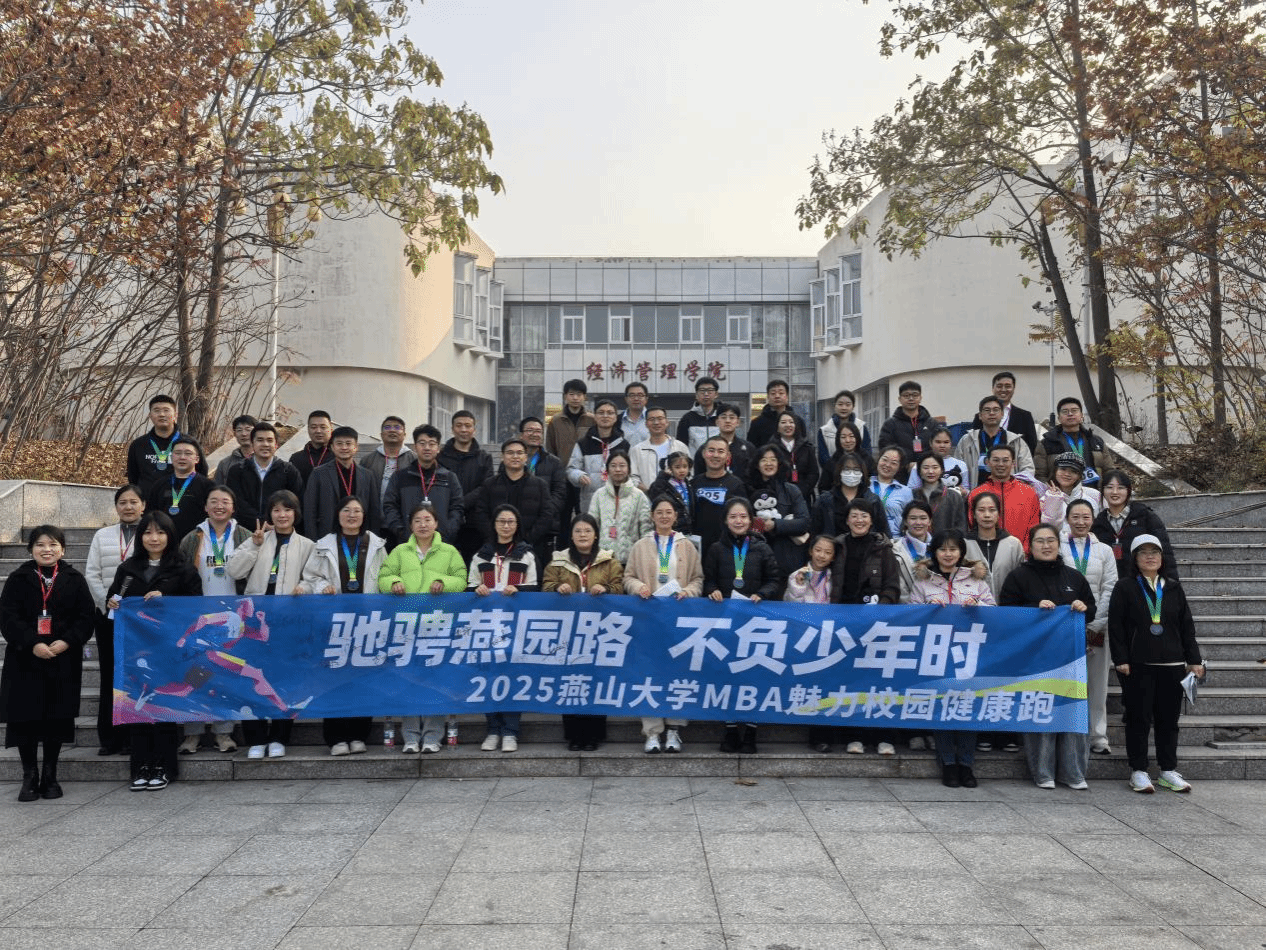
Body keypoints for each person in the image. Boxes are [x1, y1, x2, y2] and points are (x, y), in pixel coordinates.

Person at [107, 511, 202, 790]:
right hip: (136, 651)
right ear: (140, 537)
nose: (154, 538)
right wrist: (112, 603)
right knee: (137, 706)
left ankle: (164, 766)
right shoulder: (127, 568)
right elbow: (114, 598)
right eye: (148, 532)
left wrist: (167, 599)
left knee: (162, 705)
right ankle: (141, 765)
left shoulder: (183, 569)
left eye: (160, 532)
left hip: (169, 649)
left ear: (170, 536)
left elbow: (196, 607)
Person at [1, 525, 96, 801]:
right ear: (31, 549)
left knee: (57, 717)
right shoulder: (18, 578)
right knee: (25, 718)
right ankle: (29, 776)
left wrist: (67, 641)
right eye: (40, 544)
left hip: (62, 658)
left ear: (62, 550)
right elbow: (8, 617)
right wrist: (33, 643)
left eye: (53, 545)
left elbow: (85, 617)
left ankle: (50, 775)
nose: (47, 550)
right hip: (25, 659)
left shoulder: (74, 579)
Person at [999, 523, 1096, 789]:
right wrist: (1034, 608)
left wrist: (1082, 606)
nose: (1046, 545)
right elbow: (1006, 612)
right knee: (1040, 712)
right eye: (1040, 541)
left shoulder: (1074, 577)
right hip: (1035, 659)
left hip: (1071, 659)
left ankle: (1074, 773)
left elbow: (1092, 609)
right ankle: (1043, 772)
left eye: (1051, 540)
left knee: (1073, 712)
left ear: (1058, 543)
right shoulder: (1018, 576)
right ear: (1030, 546)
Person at [1109, 534, 1204, 794]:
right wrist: (1121, 658)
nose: (1150, 556)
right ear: (1135, 558)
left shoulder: (1173, 587)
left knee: (1168, 720)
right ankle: (1138, 770)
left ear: (1162, 558)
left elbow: (1187, 626)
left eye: (1155, 552)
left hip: (1172, 664)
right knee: (1138, 718)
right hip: (1138, 664)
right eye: (1143, 552)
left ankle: (1167, 770)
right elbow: (1116, 626)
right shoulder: (1125, 587)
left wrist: (1194, 659)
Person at [226, 490, 315, 759]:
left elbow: (314, 578)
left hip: (288, 621)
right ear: (269, 515)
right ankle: (256, 738)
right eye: (276, 510)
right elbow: (234, 571)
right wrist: (253, 546)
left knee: (284, 680)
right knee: (250, 678)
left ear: (295, 513)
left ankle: (278, 737)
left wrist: (304, 587)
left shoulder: (307, 545)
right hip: (254, 620)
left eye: (287, 509)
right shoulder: (257, 539)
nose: (282, 515)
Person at [301, 495, 386, 755]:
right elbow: (310, 576)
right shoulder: (324, 544)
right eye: (346, 510)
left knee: (363, 679)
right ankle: (336, 737)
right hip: (334, 622)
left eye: (357, 511)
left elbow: (385, 575)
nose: (352, 515)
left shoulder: (377, 544)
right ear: (338, 515)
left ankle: (359, 734)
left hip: (366, 622)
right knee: (333, 679)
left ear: (364, 515)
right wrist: (322, 586)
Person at [909, 529, 995, 787]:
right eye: (942, 549)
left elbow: (995, 612)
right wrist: (928, 609)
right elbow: (910, 616)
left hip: (969, 654)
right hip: (937, 654)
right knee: (943, 708)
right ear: (934, 552)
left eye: (953, 549)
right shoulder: (923, 583)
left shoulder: (977, 581)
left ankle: (966, 764)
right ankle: (948, 763)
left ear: (961, 552)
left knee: (968, 707)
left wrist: (978, 607)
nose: (948, 554)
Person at [379, 502, 467, 754]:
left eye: (427, 519)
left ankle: (432, 736)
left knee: (434, 682)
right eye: (417, 520)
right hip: (406, 626)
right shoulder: (399, 551)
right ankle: (410, 736)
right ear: (410, 525)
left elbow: (462, 579)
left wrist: (443, 581)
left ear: (436, 523)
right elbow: (383, 577)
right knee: (407, 681)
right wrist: (394, 582)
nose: (423, 525)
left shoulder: (449, 551)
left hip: (437, 626)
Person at [624, 496, 704, 753]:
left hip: (679, 619)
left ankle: (674, 730)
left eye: (669, 512)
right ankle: (652, 732)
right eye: (659, 512)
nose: (664, 516)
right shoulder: (641, 545)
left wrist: (688, 592)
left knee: (677, 673)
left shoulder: (687, 546)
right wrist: (639, 586)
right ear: (652, 515)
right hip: (649, 618)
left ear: (675, 516)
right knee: (650, 672)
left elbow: (698, 579)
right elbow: (628, 577)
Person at [175, 485, 252, 754]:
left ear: (233, 507)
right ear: (205, 507)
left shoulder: (245, 536)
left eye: (225, 501)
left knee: (225, 676)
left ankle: (224, 733)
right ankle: (192, 734)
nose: (219, 506)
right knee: (194, 676)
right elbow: (181, 574)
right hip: (199, 618)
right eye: (214, 501)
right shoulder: (192, 538)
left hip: (233, 619)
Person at [704, 498, 781, 755]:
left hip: (755, 623)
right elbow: (708, 580)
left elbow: (774, 580)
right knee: (726, 675)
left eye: (743, 517)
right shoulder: (716, 549)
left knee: (754, 676)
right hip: (726, 622)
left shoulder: (762, 548)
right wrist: (713, 590)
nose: (739, 521)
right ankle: (729, 730)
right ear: (725, 520)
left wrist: (763, 593)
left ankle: (750, 732)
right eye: (733, 517)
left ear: (751, 520)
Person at [543, 514, 623, 751]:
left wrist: (605, 588)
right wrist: (557, 587)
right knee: (569, 680)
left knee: (595, 679)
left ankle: (594, 734)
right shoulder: (558, 561)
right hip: (568, 631)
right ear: (571, 535)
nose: (583, 535)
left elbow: (620, 588)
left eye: (587, 530)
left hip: (599, 630)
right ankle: (574, 734)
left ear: (596, 534)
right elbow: (545, 586)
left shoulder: (609, 561)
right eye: (578, 531)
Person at [831, 500, 902, 755]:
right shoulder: (837, 546)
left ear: (872, 520)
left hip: (876, 625)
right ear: (847, 520)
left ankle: (883, 736)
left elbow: (892, 586)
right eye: (854, 516)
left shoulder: (883, 548)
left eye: (864, 515)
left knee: (879, 681)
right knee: (852, 681)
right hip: (845, 625)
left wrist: (880, 610)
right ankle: (855, 735)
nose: (859, 520)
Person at [468, 504, 539, 753]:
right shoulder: (482, 555)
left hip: (515, 626)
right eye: (501, 521)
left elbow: (535, 587)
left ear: (517, 525)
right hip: (487, 626)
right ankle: (492, 729)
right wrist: (476, 589)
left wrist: (518, 590)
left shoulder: (526, 555)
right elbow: (470, 586)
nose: (506, 526)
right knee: (488, 677)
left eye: (511, 522)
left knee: (512, 676)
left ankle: (510, 731)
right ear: (494, 525)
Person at [84, 484, 144, 756]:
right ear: (116, 506)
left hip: (139, 618)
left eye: (133, 502)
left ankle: (134, 736)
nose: (128, 507)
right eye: (122, 502)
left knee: (135, 674)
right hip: (107, 617)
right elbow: (92, 573)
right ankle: (110, 738)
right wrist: (106, 601)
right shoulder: (102, 535)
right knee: (110, 673)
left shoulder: (150, 534)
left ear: (143, 505)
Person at [1062, 499, 1119, 756]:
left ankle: (1098, 735)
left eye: (1086, 517)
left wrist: (1095, 623)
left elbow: (1110, 588)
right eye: (1075, 516)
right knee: (1065, 683)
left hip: (1098, 627)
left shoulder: (1104, 550)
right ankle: (1068, 732)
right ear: (1067, 519)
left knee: (1097, 684)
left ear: (1093, 519)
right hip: (1064, 627)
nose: (1081, 522)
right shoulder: (1058, 546)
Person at [786, 534, 840, 753]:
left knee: (826, 687)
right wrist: (798, 586)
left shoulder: (835, 578)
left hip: (828, 638)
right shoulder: (797, 574)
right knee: (810, 687)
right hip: (804, 638)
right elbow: (789, 606)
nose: (822, 556)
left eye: (828, 552)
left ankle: (821, 736)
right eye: (818, 550)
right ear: (810, 551)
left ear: (833, 557)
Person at [473, 437, 554, 563]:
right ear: (502, 457)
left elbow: (546, 515)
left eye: (519, 453)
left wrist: (526, 540)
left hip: (531, 547)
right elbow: (481, 513)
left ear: (526, 457)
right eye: (510, 453)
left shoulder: (540, 485)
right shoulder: (490, 484)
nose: (515, 456)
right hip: (495, 548)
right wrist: (495, 537)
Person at [383, 424, 464, 545]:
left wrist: (447, 532)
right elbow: (389, 506)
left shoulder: (449, 477)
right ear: (415, 447)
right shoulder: (400, 477)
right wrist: (402, 532)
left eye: (432, 444)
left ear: (438, 448)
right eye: (422, 443)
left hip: (441, 544)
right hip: (408, 543)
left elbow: (457, 508)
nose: (427, 448)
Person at [1092, 470, 1177, 581]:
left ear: (1128, 490)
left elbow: (1165, 552)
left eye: (1120, 488)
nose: (1114, 492)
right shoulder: (1098, 523)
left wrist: (1172, 583)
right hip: (1109, 582)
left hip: (1141, 582)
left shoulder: (1145, 516)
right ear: (1102, 491)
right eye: (1109, 487)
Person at [303, 425, 382, 540]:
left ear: (356, 447)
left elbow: (374, 512)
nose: (344, 447)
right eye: (339, 444)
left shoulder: (368, 476)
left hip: (360, 536)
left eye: (348, 443)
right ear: (332, 447)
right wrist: (313, 541)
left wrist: (373, 539)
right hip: (327, 535)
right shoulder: (318, 474)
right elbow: (310, 511)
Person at [746, 446, 811, 581]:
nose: (768, 463)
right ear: (757, 464)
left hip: (786, 556)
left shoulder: (791, 490)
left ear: (779, 463)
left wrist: (776, 525)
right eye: (764, 460)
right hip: (754, 555)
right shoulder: (747, 489)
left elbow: (804, 522)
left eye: (773, 460)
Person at [439, 409, 494, 562]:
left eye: (468, 426)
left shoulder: (484, 458)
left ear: (474, 430)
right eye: (459, 425)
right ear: (452, 429)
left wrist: (461, 503)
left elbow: (486, 487)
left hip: (475, 523)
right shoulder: (440, 457)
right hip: (446, 519)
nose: (463, 429)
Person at [226, 422, 304, 528]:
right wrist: (262, 523)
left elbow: (296, 503)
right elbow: (236, 503)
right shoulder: (237, 471)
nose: (265, 444)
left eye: (270, 440)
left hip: (278, 529)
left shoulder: (289, 471)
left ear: (276, 445)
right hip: (244, 531)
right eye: (260, 440)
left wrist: (275, 524)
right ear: (252, 444)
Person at [967, 444, 1042, 553]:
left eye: (1005, 460)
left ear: (1013, 463)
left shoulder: (1029, 492)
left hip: (1022, 555)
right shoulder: (976, 493)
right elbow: (972, 525)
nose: (1001, 464)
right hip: (986, 554)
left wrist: (1024, 552)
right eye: (996, 460)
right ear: (987, 462)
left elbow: (1034, 526)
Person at [547, 379, 596, 532]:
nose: (575, 398)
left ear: (585, 397)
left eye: (579, 394)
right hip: (563, 478)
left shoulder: (592, 420)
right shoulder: (556, 421)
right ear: (565, 396)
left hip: (585, 477)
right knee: (563, 518)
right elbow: (550, 449)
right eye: (571, 394)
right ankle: (563, 546)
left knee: (586, 516)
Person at [955, 395, 1035, 488]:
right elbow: (957, 468)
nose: (991, 413)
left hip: (1008, 493)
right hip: (975, 493)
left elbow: (1028, 470)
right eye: (987, 410)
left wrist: (1015, 488)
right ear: (980, 416)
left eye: (996, 410)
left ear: (1002, 414)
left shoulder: (1016, 441)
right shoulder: (966, 440)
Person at [1034, 397, 1116, 487]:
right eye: (1065, 412)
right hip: (1061, 493)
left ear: (1081, 415)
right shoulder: (1047, 443)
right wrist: (1050, 492)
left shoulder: (1096, 441)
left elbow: (1109, 471)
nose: (1070, 414)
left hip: (1094, 491)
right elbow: (1040, 475)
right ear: (1059, 418)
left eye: (1074, 411)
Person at [588, 450, 651, 564]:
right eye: (613, 466)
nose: (617, 469)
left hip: (631, 560)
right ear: (607, 469)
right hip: (603, 559)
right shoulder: (599, 495)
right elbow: (592, 526)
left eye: (622, 466)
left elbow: (646, 530)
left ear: (629, 469)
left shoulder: (639, 496)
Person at [568, 399, 628, 515]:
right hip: (590, 502)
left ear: (615, 417)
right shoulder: (583, 444)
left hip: (618, 502)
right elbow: (571, 469)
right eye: (601, 412)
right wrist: (579, 476)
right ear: (595, 417)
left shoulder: (624, 444)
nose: (605, 416)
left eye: (610, 413)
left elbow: (632, 473)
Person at [692, 435, 748, 556]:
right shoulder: (693, 483)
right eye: (711, 450)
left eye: (721, 451)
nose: (715, 455)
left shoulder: (736, 485)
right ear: (703, 453)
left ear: (728, 456)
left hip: (727, 549)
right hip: (698, 548)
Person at [811, 451, 887, 541]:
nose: (851, 473)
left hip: (867, 548)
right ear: (839, 471)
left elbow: (884, 532)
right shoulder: (824, 500)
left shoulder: (873, 500)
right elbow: (814, 532)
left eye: (856, 470)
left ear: (862, 472)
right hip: (833, 547)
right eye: (847, 469)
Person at [519, 416, 568, 555]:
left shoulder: (554, 462)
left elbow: (559, 494)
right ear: (521, 435)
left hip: (546, 527)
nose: (534, 434)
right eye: (530, 430)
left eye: (538, 431)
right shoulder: (512, 460)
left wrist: (544, 515)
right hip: (517, 525)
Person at [964, 491, 1024, 602]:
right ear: (974, 514)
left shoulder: (1013, 544)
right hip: (974, 607)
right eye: (981, 510)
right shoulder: (964, 544)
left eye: (992, 510)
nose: (987, 515)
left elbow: (1021, 579)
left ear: (999, 514)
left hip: (1008, 607)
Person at [126, 394, 185, 497]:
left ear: (176, 414)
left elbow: (199, 474)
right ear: (150, 415)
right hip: (148, 502)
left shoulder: (188, 444)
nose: (161, 414)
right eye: (157, 410)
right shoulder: (138, 445)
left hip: (180, 501)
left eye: (166, 410)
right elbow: (133, 477)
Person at [970, 371, 1038, 454]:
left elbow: (1032, 446)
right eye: (999, 386)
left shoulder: (1025, 416)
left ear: (1013, 389)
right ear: (993, 389)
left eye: (1008, 386)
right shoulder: (981, 416)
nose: (1003, 390)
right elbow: (973, 442)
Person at [877, 380, 938, 470]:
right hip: (899, 472)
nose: (911, 399)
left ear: (920, 398)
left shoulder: (932, 423)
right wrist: (905, 465)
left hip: (927, 471)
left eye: (915, 395)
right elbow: (885, 449)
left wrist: (924, 465)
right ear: (899, 399)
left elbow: (937, 448)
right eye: (906, 395)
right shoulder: (890, 424)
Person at [1040, 452, 1103, 534]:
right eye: (1063, 469)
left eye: (1073, 471)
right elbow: (1048, 529)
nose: (1067, 474)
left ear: (1080, 476)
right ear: (1055, 471)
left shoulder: (1094, 495)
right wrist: (1054, 500)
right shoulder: (1045, 498)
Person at [360, 415, 416, 505]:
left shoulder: (414, 460)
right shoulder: (367, 460)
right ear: (381, 435)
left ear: (404, 435)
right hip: (375, 511)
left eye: (397, 427)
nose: (392, 430)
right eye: (387, 427)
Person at [630, 406, 689, 490]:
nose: (656, 422)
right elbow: (633, 477)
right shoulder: (637, 450)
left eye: (660, 418)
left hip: (677, 496)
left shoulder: (680, 447)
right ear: (646, 424)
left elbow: (689, 474)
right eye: (651, 419)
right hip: (646, 497)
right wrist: (649, 492)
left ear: (667, 422)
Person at [693, 403, 755, 480]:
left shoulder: (749, 448)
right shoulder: (706, 448)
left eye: (732, 417)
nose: (727, 421)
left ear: (738, 422)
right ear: (717, 422)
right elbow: (698, 477)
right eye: (723, 417)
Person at [910, 453, 968, 534]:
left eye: (935, 467)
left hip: (946, 541)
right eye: (926, 468)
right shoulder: (912, 495)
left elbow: (961, 526)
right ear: (919, 471)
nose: (930, 471)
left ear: (942, 470)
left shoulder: (954, 496)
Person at [770, 409, 819, 503]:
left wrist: (802, 491)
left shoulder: (807, 447)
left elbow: (813, 473)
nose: (788, 425)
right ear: (777, 427)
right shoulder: (771, 448)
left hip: (803, 496)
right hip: (778, 497)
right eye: (783, 422)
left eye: (791, 422)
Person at [647, 452, 696, 541]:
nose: (682, 470)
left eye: (685, 467)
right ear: (670, 468)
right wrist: (663, 476)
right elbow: (654, 495)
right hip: (672, 527)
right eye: (677, 467)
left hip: (688, 528)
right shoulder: (664, 483)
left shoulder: (688, 483)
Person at [905, 426, 970, 494]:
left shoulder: (961, 465)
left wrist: (963, 492)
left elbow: (966, 490)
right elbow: (911, 491)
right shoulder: (920, 465)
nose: (942, 445)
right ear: (930, 443)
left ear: (951, 443)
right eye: (938, 442)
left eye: (946, 442)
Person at [893, 500, 936, 602]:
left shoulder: (939, 547)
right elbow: (900, 589)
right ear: (905, 521)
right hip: (909, 607)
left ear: (930, 521)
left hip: (938, 604)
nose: (918, 523)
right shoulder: (895, 549)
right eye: (913, 518)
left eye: (923, 518)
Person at [817, 389, 871, 468]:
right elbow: (823, 459)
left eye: (848, 405)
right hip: (833, 473)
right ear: (834, 406)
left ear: (853, 407)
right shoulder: (824, 431)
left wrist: (855, 470)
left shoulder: (861, 427)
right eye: (840, 404)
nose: (844, 408)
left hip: (858, 472)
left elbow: (867, 455)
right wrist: (839, 471)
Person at [817, 419, 869, 496]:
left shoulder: (866, 459)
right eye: (843, 437)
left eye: (851, 436)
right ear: (838, 440)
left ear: (857, 438)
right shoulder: (832, 462)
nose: (847, 440)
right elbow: (823, 487)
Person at [747, 378, 805, 448]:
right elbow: (752, 449)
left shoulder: (798, 421)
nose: (777, 396)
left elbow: (804, 446)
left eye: (781, 393)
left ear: (787, 397)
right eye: (773, 393)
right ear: (768, 397)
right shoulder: (757, 423)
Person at [871, 446, 914, 538]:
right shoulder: (865, 485)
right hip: (867, 537)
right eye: (884, 460)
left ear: (899, 467)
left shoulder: (906, 491)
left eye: (893, 463)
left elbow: (909, 519)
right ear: (878, 460)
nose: (887, 465)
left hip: (894, 539)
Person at [288, 409, 334, 492]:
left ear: (331, 428)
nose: (318, 431)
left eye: (323, 427)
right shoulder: (296, 459)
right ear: (308, 429)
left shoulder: (337, 457)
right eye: (313, 427)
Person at [676, 376, 720, 456]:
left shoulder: (722, 416)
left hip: (718, 462)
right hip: (695, 463)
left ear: (716, 394)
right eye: (702, 391)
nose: (706, 394)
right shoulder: (687, 419)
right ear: (696, 395)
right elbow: (681, 446)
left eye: (710, 391)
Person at [213, 414, 257, 485]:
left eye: (248, 430)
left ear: (256, 432)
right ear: (234, 434)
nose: (244, 434)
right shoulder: (225, 464)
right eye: (239, 430)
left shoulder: (265, 461)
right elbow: (218, 488)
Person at [618, 381, 651, 448]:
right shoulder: (617, 420)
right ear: (626, 399)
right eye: (632, 395)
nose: (636, 399)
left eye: (640, 395)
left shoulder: (654, 419)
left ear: (646, 398)